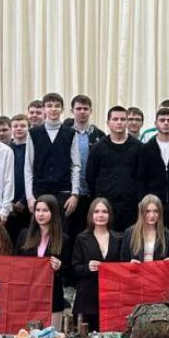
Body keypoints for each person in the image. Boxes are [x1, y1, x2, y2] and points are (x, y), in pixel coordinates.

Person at [25, 92, 82, 222]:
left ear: (62, 109)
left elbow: (76, 166)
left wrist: (74, 194)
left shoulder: (71, 133)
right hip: (39, 191)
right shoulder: (33, 134)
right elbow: (28, 167)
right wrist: (29, 197)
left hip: (63, 192)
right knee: (40, 229)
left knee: (62, 229)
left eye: (57, 106)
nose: (53, 109)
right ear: (44, 109)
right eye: (49, 106)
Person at [86, 105, 143, 233]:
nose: (119, 122)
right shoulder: (98, 148)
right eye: (115, 119)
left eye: (123, 119)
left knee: (130, 240)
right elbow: (91, 176)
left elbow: (142, 177)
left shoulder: (139, 147)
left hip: (131, 205)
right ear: (108, 123)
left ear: (127, 122)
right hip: (106, 205)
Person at [16, 195, 70, 330]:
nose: (40, 214)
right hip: (28, 296)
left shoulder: (64, 239)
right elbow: (15, 264)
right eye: (38, 210)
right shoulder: (24, 235)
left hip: (52, 297)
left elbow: (70, 271)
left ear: (53, 213)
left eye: (45, 210)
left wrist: (60, 267)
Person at [71, 197, 123, 332]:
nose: (100, 215)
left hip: (111, 298)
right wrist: (87, 267)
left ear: (110, 215)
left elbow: (123, 267)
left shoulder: (119, 238)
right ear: (91, 215)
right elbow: (74, 268)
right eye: (96, 211)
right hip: (87, 300)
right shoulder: (81, 238)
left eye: (104, 212)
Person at [67, 94, 108, 240]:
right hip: (70, 193)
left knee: (91, 232)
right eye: (78, 109)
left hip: (92, 193)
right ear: (72, 111)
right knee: (70, 232)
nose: (82, 112)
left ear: (91, 111)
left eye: (85, 109)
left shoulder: (100, 136)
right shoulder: (65, 134)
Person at [6, 114, 33, 247]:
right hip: (8, 203)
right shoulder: (6, 149)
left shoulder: (32, 148)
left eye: (23, 126)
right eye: (15, 126)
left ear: (29, 128)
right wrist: (8, 201)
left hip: (27, 202)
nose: (19, 128)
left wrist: (23, 200)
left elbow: (33, 176)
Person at [120, 195, 169, 262]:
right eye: (147, 211)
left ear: (160, 213)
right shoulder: (130, 233)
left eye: (156, 211)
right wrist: (129, 264)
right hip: (136, 269)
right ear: (141, 212)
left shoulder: (166, 234)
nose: (152, 215)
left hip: (158, 269)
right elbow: (122, 261)